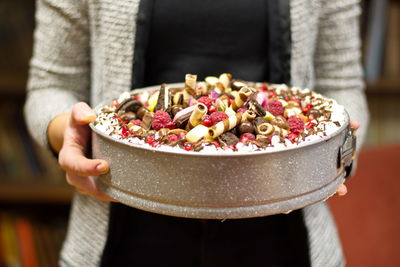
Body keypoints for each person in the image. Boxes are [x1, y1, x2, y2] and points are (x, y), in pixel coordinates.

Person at [25, 0, 369, 266]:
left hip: (287, 237)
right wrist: (68, 134)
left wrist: (335, 157)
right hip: (123, 231)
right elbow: (50, 85)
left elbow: (343, 84)